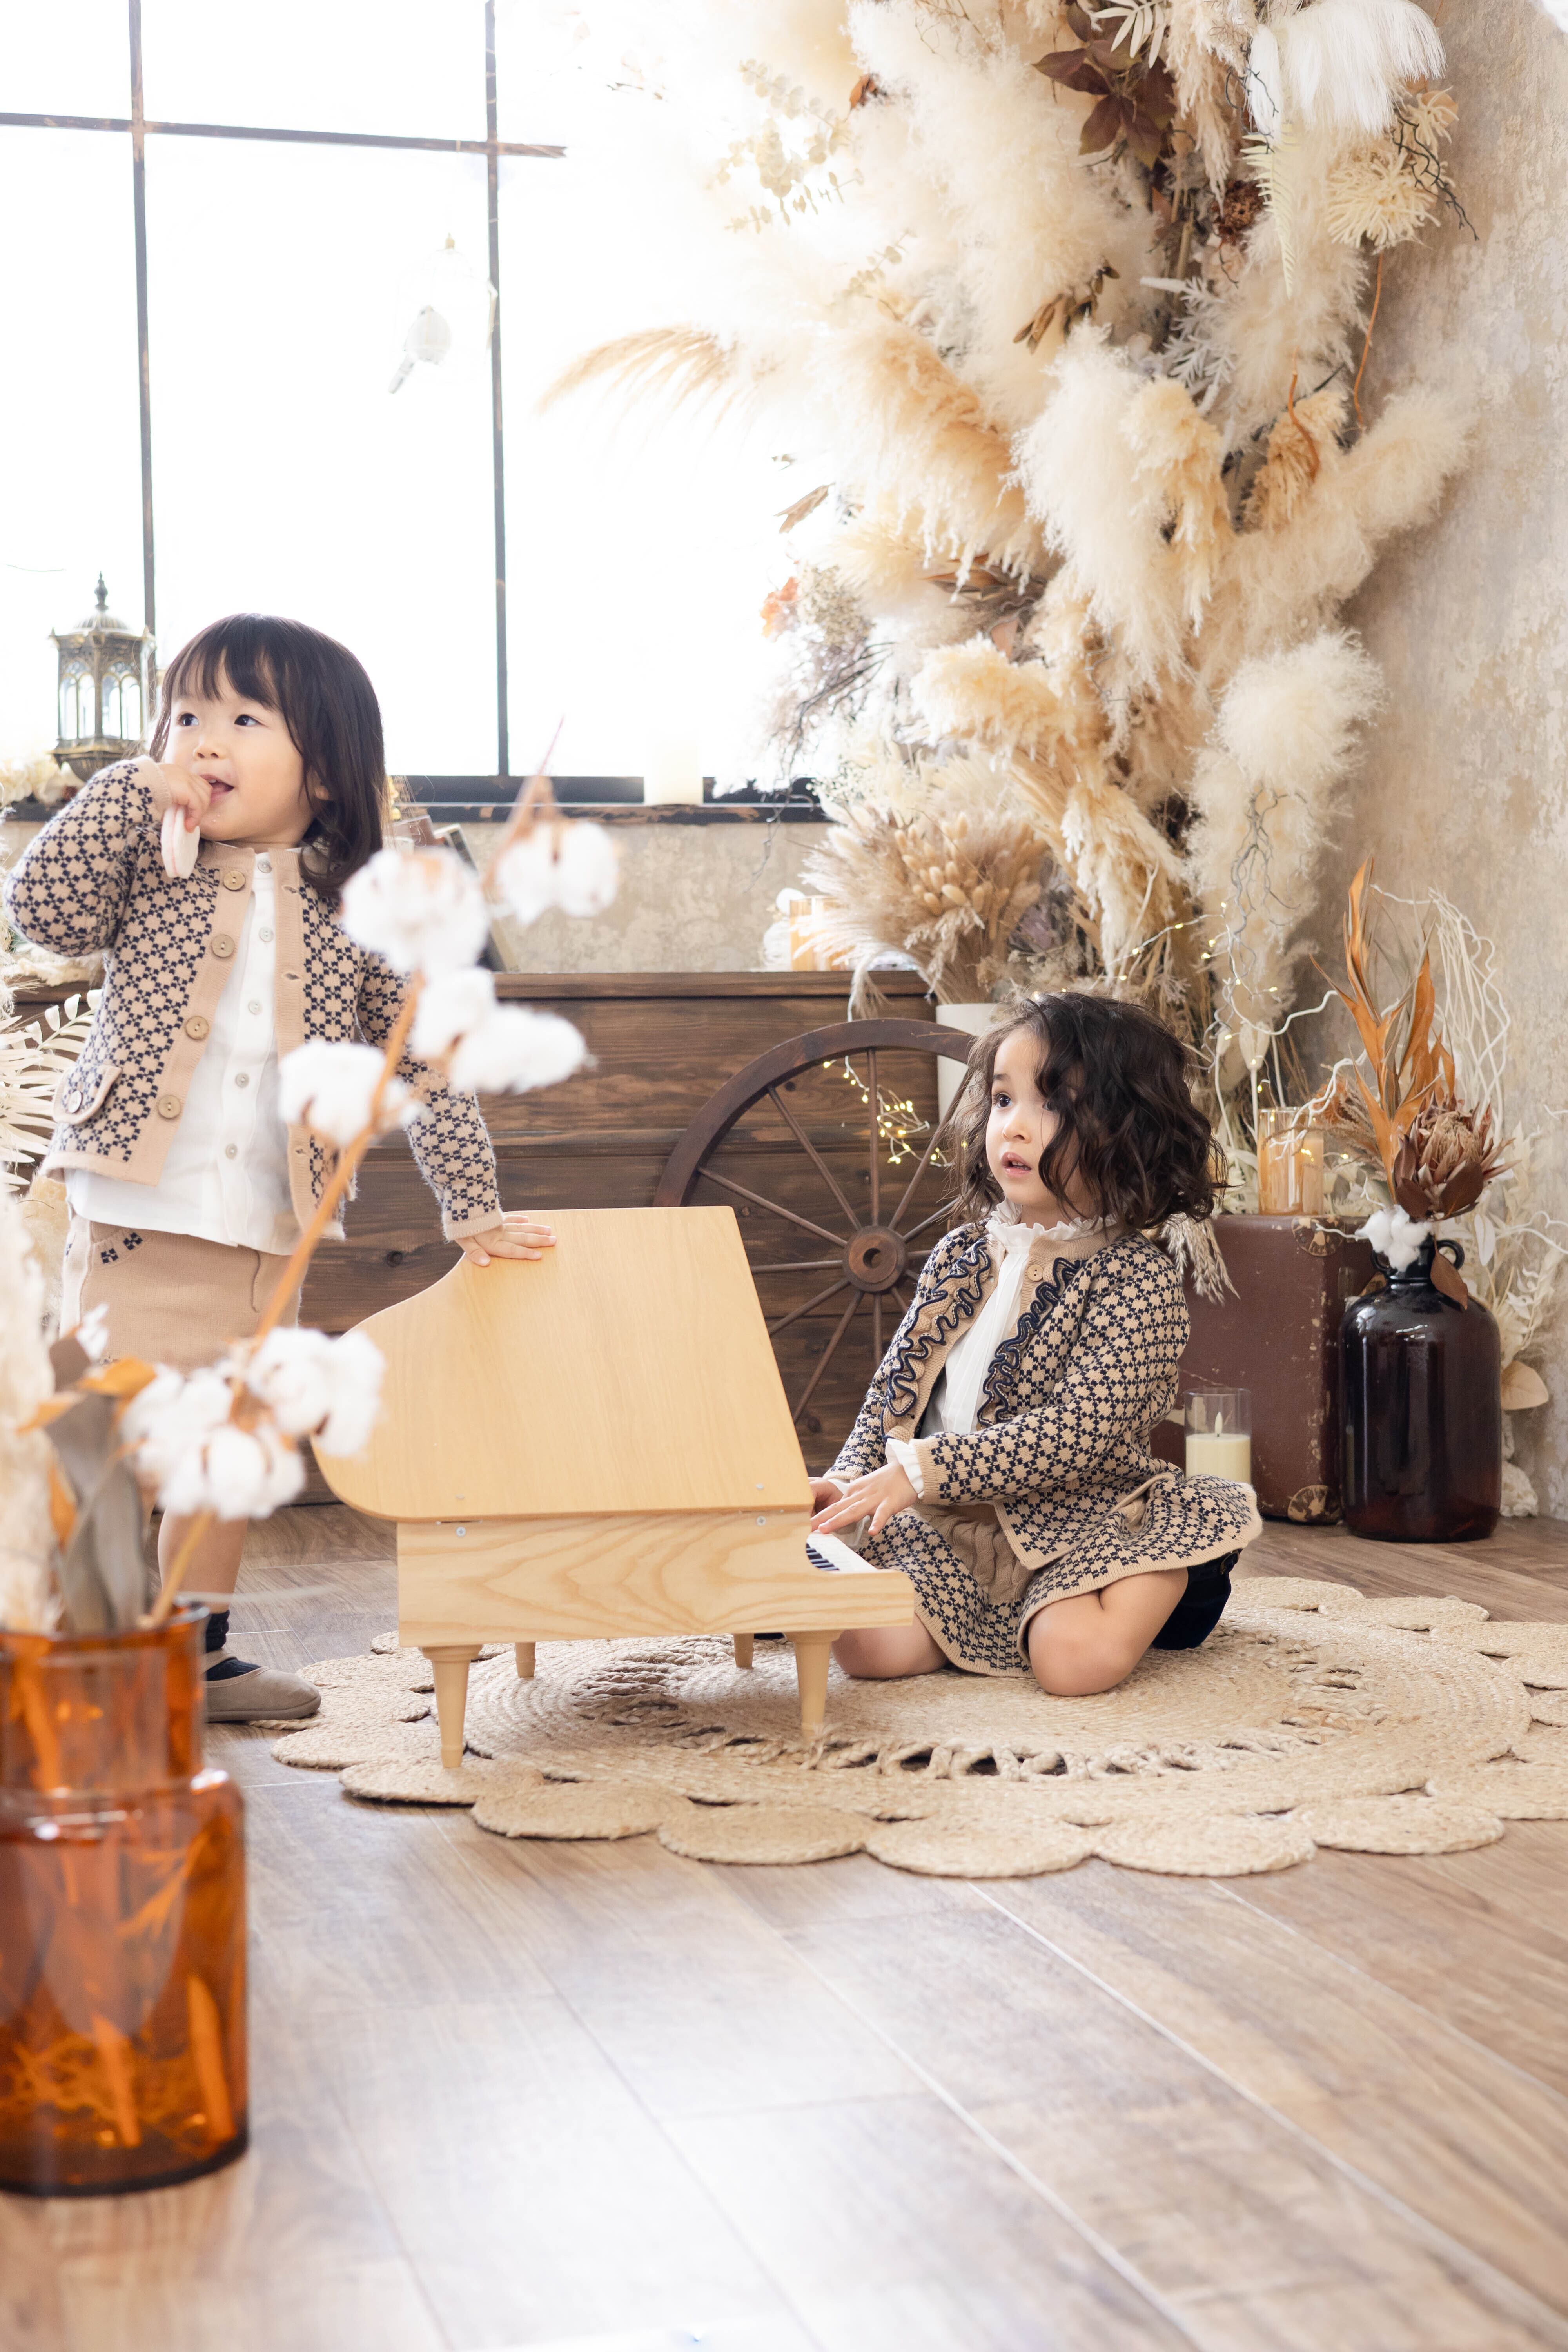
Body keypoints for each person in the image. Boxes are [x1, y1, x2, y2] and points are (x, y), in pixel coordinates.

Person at [5, 612, 553, 1721]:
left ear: (327, 772)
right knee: (110, 1437)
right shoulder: (149, 866)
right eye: (184, 716)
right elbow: (40, 911)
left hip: (268, 1230)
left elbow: (423, 1064)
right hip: (136, 1210)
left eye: (243, 719)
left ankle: (194, 1656)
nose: (202, 739)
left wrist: (473, 1206)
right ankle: (89, 1650)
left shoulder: (359, 918)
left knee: (236, 1446)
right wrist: (130, 788)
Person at [809, 992, 1259, 1694]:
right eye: (1001, 1100)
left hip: (1077, 1516)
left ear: (1127, 1131)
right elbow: (892, 1394)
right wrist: (845, 1485)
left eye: (1051, 1105)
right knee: (871, 1649)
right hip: (949, 1521)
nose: (1012, 1127)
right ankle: (981, 1608)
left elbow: (1078, 1432)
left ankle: (1165, 1563)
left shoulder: (1135, 1278)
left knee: (1071, 1664)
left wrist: (924, 1469)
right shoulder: (959, 1254)